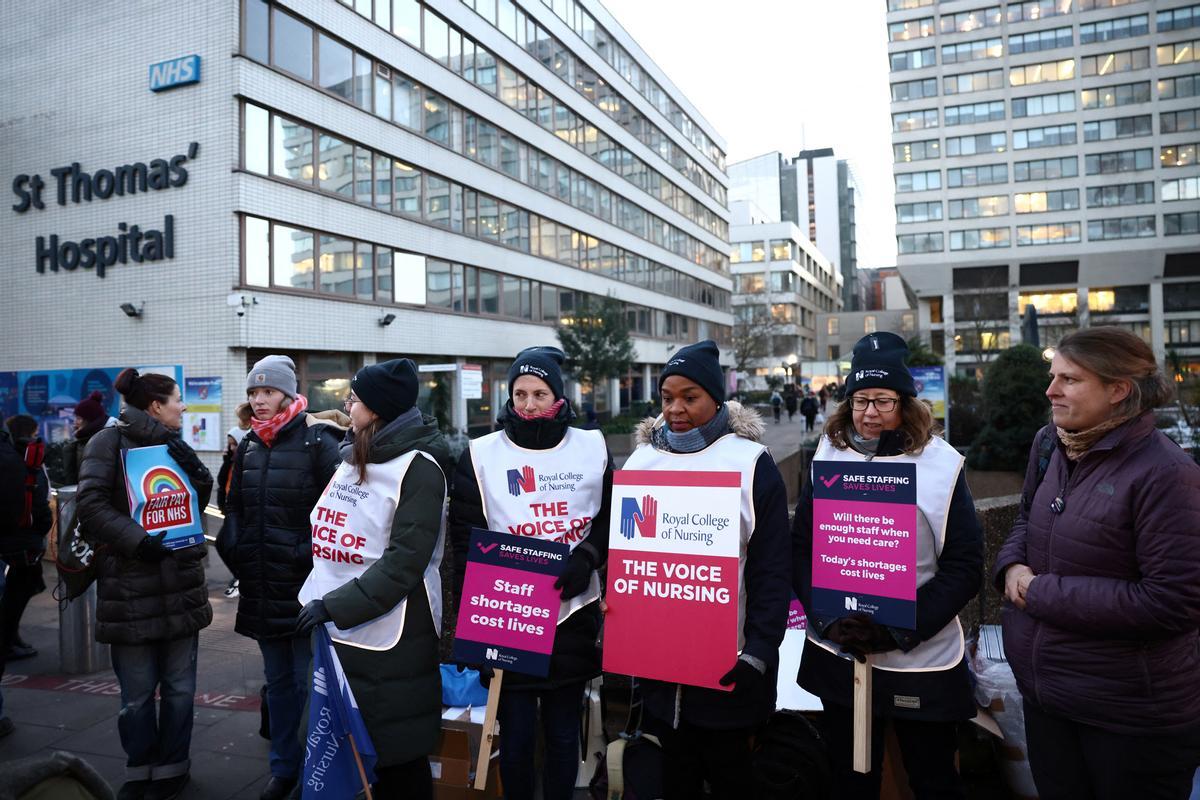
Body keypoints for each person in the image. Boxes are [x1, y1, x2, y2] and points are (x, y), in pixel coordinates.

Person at [994, 327, 1200, 800]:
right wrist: (1009, 568)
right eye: (1053, 376)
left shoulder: (1167, 475)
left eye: (1069, 379)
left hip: (1130, 721)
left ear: (1118, 390)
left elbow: (1171, 603)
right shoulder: (1051, 443)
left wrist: (1037, 591)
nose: (1050, 390)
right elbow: (1026, 517)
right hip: (1050, 700)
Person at [793, 332, 982, 800]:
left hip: (920, 657)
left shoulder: (941, 466)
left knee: (934, 779)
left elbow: (963, 566)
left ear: (907, 403)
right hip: (841, 652)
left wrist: (898, 629)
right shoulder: (829, 454)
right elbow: (801, 549)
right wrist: (826, 620)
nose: (870, 413)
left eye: (883, 400)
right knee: (849, 779)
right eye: (860, 400)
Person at [627, 340, 791, 799]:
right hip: (662, 673)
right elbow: (630, 559)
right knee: (674, 776)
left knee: (731, 776)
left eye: (689, 397)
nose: (675, 409)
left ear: (716, 399)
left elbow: (771, 570)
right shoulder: (642, 461)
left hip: (730, 667)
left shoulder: (751, 464)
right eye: (666, 397)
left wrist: (758, 650)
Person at [449, 347, 612, 800]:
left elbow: (611, 516)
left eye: (540, 393)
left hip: (572, 613)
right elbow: (467, 544)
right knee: (516, 739)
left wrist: (588, 556)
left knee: (563, 735)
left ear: (558, 396)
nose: (528, 404)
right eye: (520, 393)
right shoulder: (481, 455)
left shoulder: (591, 445)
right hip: (509, 616)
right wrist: (472, 630)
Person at [296, 359, 449, 799]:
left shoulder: (419, 468)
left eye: (356, 398)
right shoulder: (353, 453)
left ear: (378, 409)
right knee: (344, 754)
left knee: (397, 759)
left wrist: (334, 606)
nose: (347, 403)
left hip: (392, 638)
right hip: (337, 631)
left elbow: (403, 563)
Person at [77, 368, 213, 800]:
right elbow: (91, 507)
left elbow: (191, 503)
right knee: (136, 697)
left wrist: (200, 477)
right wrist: (139, 542)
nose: (184, 406)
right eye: (177, 399)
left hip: (181, 587)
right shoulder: (107, 442)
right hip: (132, 592)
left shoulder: (175, 443)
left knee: (180, 690)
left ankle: (174, 768)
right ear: (156, 406)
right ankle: (140, 771)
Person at [217, 356, 343, 800]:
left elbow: (342, 512)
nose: (258, 400)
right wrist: (233, 546)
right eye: (253, 392)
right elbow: (235, 507)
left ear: (288, 396)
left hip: (306, 587)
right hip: (262, 585)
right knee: (279, 686)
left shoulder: (319, 441)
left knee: (311, 684)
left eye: (267, 392)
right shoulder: (250, 445)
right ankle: (283, 770)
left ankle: (315, 769)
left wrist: (301, 552)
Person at [0, 416, 51, 662]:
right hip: (21, 539)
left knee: (21, 588)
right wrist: (42, 527)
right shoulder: (23, 458)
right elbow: (36, 499)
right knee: (17, 592)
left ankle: (11, 637)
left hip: (19, 538)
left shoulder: (14, 455)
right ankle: (8, 639)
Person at [63, 390, 116, 485]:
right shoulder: (80, 443)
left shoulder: (105, 442)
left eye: (79, 418)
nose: (75, 422)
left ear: (90, 421)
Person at [215, 428, 247, 513]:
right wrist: (226, 462)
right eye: (230, 445)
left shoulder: (247, 463)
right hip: (229, 508)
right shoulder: (230, 461)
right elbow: (222, 481)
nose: (232, 448)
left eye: (235, 444)